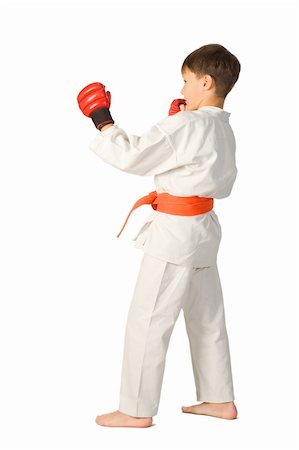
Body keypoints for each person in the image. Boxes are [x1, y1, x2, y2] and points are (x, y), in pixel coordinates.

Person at [77, 43, 241, 428]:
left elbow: (133, 155)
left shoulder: (188, 125)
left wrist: (102, 118)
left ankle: (135, 409)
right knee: (207, 318)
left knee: (148, 319)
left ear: (205, 81)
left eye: (186, 82)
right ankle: (219, 400)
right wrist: (180, 126)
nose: (182, 90)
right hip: (203, 232)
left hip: (175, 236)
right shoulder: (221, 126)